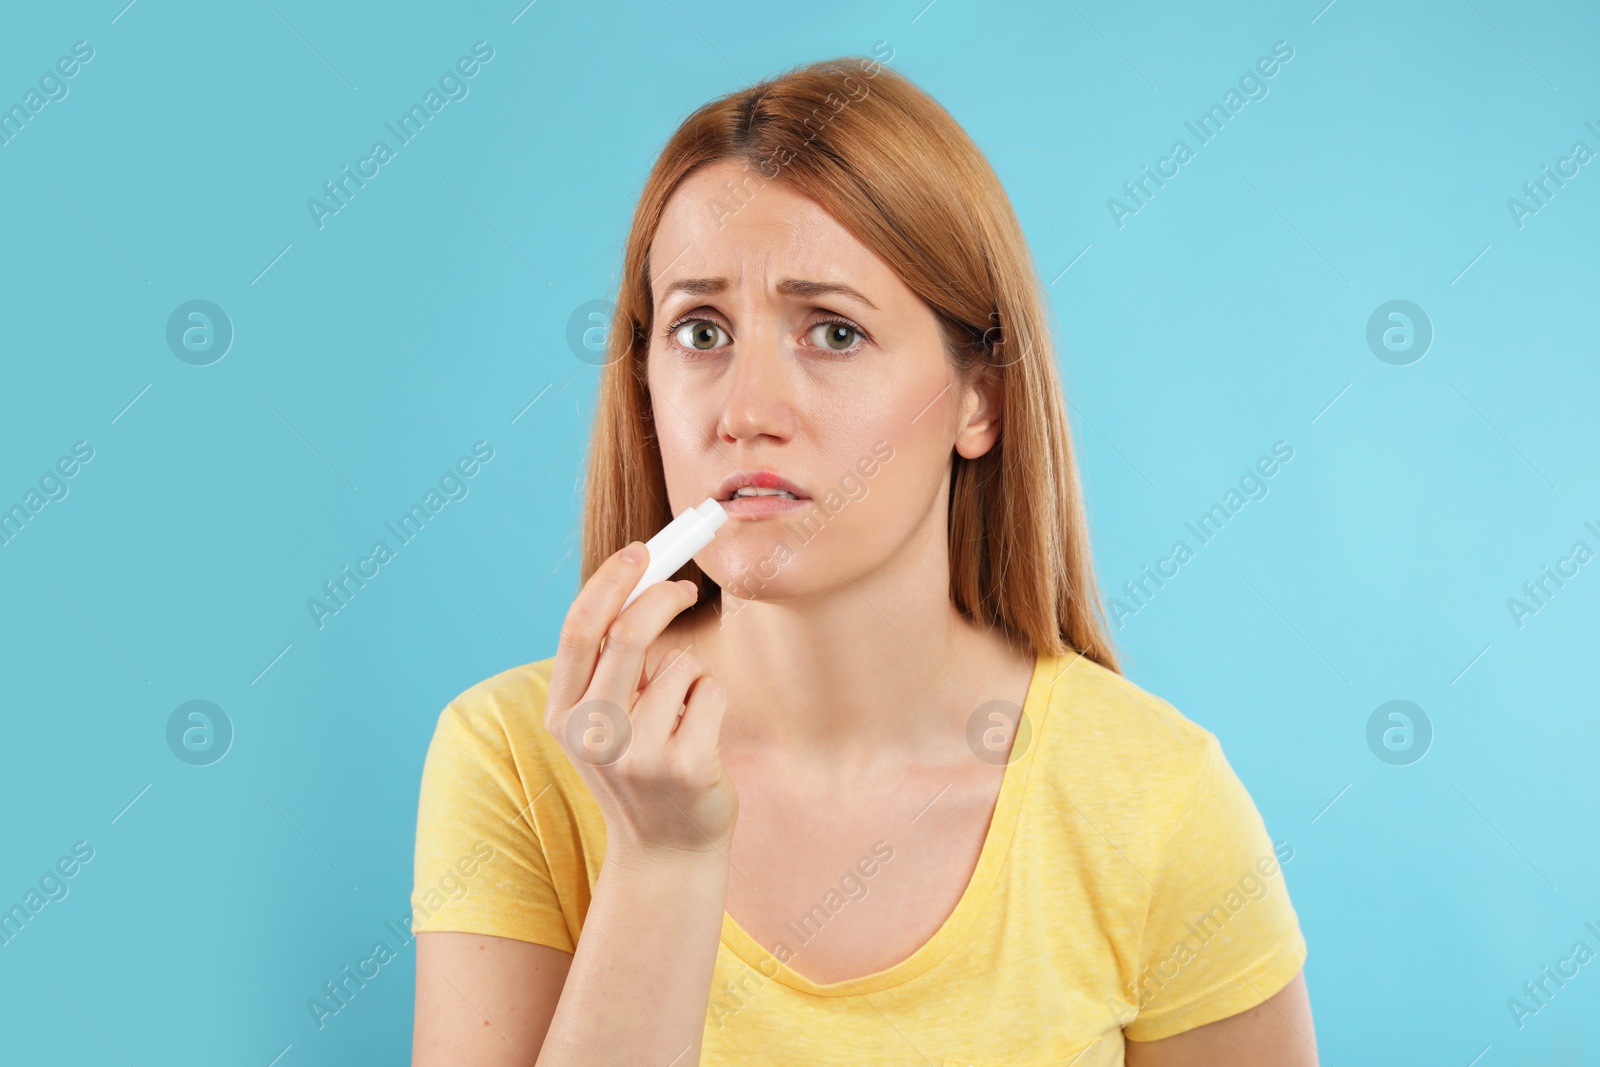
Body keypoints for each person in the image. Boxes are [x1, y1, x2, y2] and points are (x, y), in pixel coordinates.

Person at [410, 54, 1315, 1066]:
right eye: (700, 329)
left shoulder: (1157, 801)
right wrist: (660, 859)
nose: (745, 409)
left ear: (982, 398)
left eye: (832, 332)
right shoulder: (509, 761)